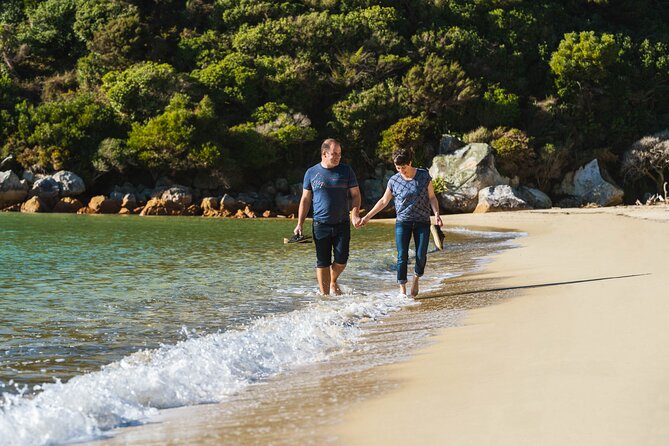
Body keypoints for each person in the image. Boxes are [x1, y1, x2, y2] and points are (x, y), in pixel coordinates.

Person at [358, 148, 443, 297]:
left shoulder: (423, 176)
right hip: (403, 222)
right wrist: (367, 217)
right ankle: (402, 290)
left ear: (410, 162)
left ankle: (416, 278)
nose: (401, 171)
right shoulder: (394, 181)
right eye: (398, 168)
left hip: (422, 222)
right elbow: (384, 201)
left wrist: (436, 214)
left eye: (403, 167)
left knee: (421, 254)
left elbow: (432, 197)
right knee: (401, 255)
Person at [295, 138, 362, 295]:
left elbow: (356, 195)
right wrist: (299, 223)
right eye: (334, 153)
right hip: (320, 224)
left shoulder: (346, 171)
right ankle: (325, 298)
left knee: (342, 260)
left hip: (342, 223)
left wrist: (355, 214)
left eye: (339, 154)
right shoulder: (311, 172)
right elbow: (305, 199)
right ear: (324, 154)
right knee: (322, 262)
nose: (338, 157)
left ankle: (332, 281)